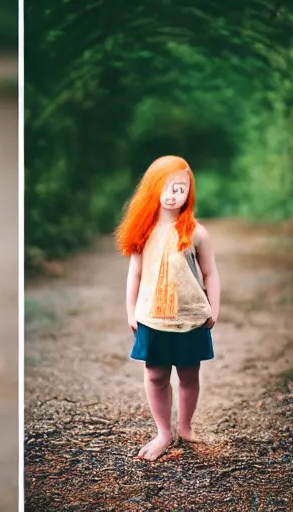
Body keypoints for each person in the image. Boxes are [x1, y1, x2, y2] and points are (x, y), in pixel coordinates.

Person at [115, 155, 221, 461]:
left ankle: (185, 427)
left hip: (189, 317)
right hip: (152, 317)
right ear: (153, 188)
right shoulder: (143, 231)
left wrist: (214, 308)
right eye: (167, 186)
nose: (174, 194)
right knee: (155, 375)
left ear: (189, 192)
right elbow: (134, 274)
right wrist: (130, 310)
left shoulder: (196, 233)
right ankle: (163, 431)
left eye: (181, 188)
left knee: (189, 374)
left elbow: (211, 272)